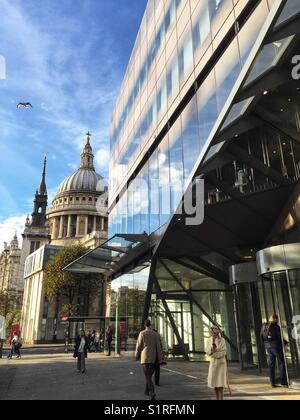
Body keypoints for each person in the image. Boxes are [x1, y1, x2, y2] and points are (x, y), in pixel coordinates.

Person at [135, 320, 163, 401]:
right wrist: (160, 358)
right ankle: (146, 391)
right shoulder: (155, 334)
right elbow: (158, 346)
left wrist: (137, 355)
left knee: (147, 376)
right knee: (149, 375)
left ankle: (152, 392)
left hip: (144, 358)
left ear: (144, 325)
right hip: (153, 358)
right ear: (150, 325)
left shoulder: (142, 333)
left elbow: (139, 346)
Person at [261, 314, 288, 388]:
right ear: (275, 319)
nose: (278, 321)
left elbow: (261, 337)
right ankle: (283, 382)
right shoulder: (275, 326)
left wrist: (265, 346)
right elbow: (279, 337)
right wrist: (285, 343)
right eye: (277, 319)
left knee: (271, 365)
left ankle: (272, 383)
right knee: (281, 362)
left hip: (268, 347)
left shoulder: (264, 325)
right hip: (276, 347)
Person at [205, 327, 228, 401]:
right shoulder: (209, 340)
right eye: (212, 333)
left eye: (215, 333)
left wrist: (214, 354)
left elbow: (223, 352)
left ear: (218, 332)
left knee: (220, 385)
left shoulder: (222, 340)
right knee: (215, 384)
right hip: (213, 364)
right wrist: (213, 350)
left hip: (221, 364)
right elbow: (208, 351)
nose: (214, 334)